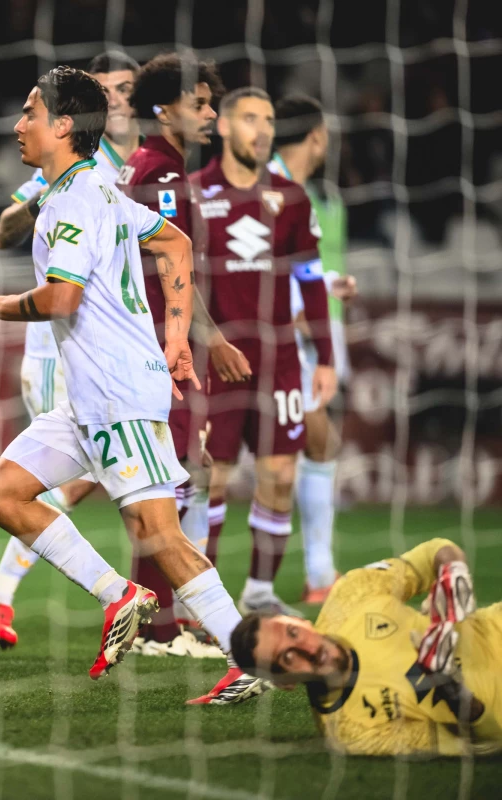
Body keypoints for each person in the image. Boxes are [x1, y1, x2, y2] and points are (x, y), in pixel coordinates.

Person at [0, 65, 265, 704]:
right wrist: (176, 338)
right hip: (90, 399)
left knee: (162, 537)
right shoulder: (98, 188)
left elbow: (62, 298)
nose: (18, 125)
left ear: (63, 125)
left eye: (30, 112)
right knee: (3, 493)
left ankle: (247, 659)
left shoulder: (74, 200)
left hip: (117, 396)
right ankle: (118, 595)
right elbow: (174, 245)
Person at [0, 51, 141, 651]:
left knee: (93, 476)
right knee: (75, 475)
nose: (118, 100)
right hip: (56, 348)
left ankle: (1, 598)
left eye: (126, 89)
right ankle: (2, 596)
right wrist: (45, 195)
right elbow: (3, 231)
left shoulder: (145, 166)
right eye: (108, 90)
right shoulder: (64, 166)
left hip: (108, 347)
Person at [117, 51, 252, 657]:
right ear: (163, 109)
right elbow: (172, 266)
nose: (211, 113)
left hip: (143, 343)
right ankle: (159, 626)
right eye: (199, 103)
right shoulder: (165, 177)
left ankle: (171, 614)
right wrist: (211, 338)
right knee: (168, 481)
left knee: (182, 475)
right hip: (160, 348)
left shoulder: (140, 165)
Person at [190, 87, 335, 616]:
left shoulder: (291, 197)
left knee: (280, 474)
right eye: (251, 118)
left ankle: (259, 592)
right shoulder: (193, 193)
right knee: (211, 479)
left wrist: (326, 357)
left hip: (279, 362)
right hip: (215, 360)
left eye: (269, 120)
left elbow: (311, 280)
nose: (264, 130)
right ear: (224, 127)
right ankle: (201, 602)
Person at [230, 539, 502, 756]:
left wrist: (454, 573)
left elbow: (436, 551)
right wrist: (451, 690)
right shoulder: (351, 732)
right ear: (284, 683)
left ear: (302, 621)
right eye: (288, 657)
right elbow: (485, 744)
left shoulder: (350, 596)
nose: (307, 650)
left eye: (294, 633)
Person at [266, 94, 359, 604]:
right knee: (237, 465)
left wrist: (326, 285)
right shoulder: (273, 191)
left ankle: (318, 575)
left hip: (293, 340)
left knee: (317, 444)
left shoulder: (296, 192)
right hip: (266, 341)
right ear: (318, 137)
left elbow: (296, 268)